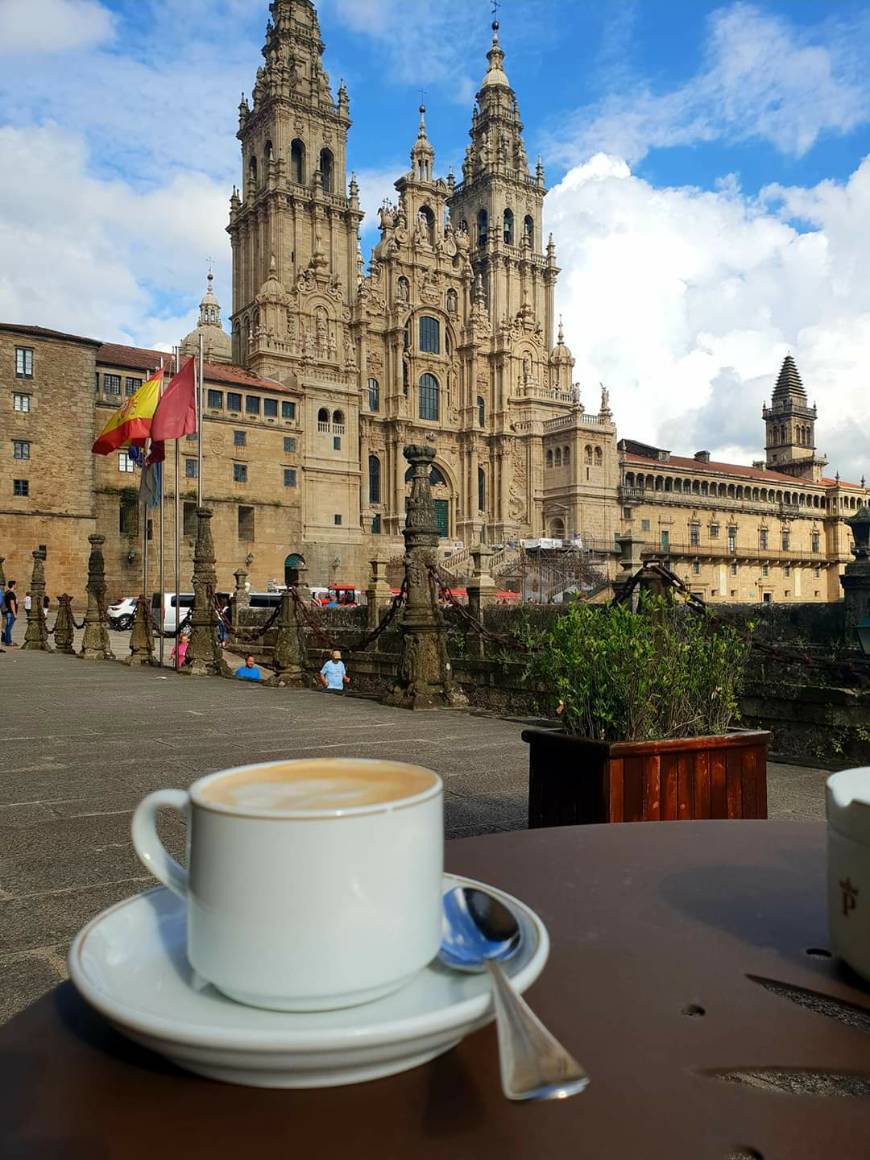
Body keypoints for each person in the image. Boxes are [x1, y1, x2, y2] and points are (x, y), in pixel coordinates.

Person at [2, 580, 18, 648]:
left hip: (6, 612)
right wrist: (14, 614)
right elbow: (12, 604)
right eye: (15, 584)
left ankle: (7, 640)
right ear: (13, 585)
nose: (16, 586)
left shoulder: (6, 592)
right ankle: (8, 642)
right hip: (10, 613)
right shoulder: (11, 593)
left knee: (7, 627)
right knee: (8, 628)